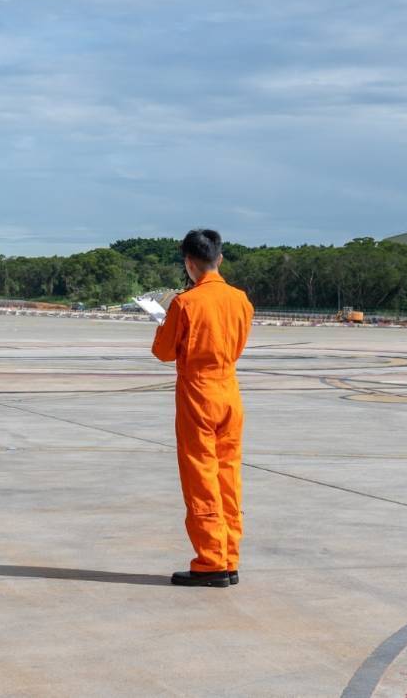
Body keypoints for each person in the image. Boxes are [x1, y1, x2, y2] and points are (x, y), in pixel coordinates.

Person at [150, 228, 253, 588]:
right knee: (228, 476)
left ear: (189, 263)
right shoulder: (241, 300)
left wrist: (163, 320)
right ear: (219, 259)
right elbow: (237, 346)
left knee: (201, 476)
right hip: (230, 391)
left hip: (199, 393)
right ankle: (229, 556)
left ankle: (210, 561)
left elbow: (163, 352)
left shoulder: (186, 303)